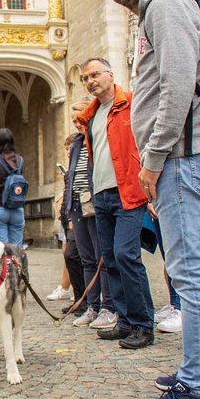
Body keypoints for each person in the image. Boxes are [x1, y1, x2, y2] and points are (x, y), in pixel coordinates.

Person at [100, 0, 200, 399]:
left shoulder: (165, 3)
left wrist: (152, 157)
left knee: (191, 273)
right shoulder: (159, 6)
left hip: (181, 154)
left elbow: (176, 85)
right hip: (184, 154)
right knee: (194, 270)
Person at [75, 57, 154, 348]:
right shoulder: (92, 115)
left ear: (111, 74)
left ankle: (144, 323)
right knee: (109, 258)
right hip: (103, 194)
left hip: (129, 192)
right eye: (86, 78)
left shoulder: (132, 103)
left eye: (95, 74)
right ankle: (124, 321)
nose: (90, 80)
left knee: (126, 255)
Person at [67, 98, 116, 329]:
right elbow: (71, 175)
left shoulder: (98, 135)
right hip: (77, 204)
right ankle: (92, 305)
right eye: (73, 119)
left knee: (101, 258)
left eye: (79, 116)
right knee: (85, 258)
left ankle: (108, 306)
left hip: (95, 201)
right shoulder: (77, 142)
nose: (77, 123)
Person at [56, 133, 85, 317]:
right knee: (71, 256)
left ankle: (85, 300)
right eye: (66, 148)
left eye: (70, 148)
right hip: (69, 217)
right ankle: (80, 299)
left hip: (78, 217)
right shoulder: (69, 169)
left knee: (73, 255)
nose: (68, 151)